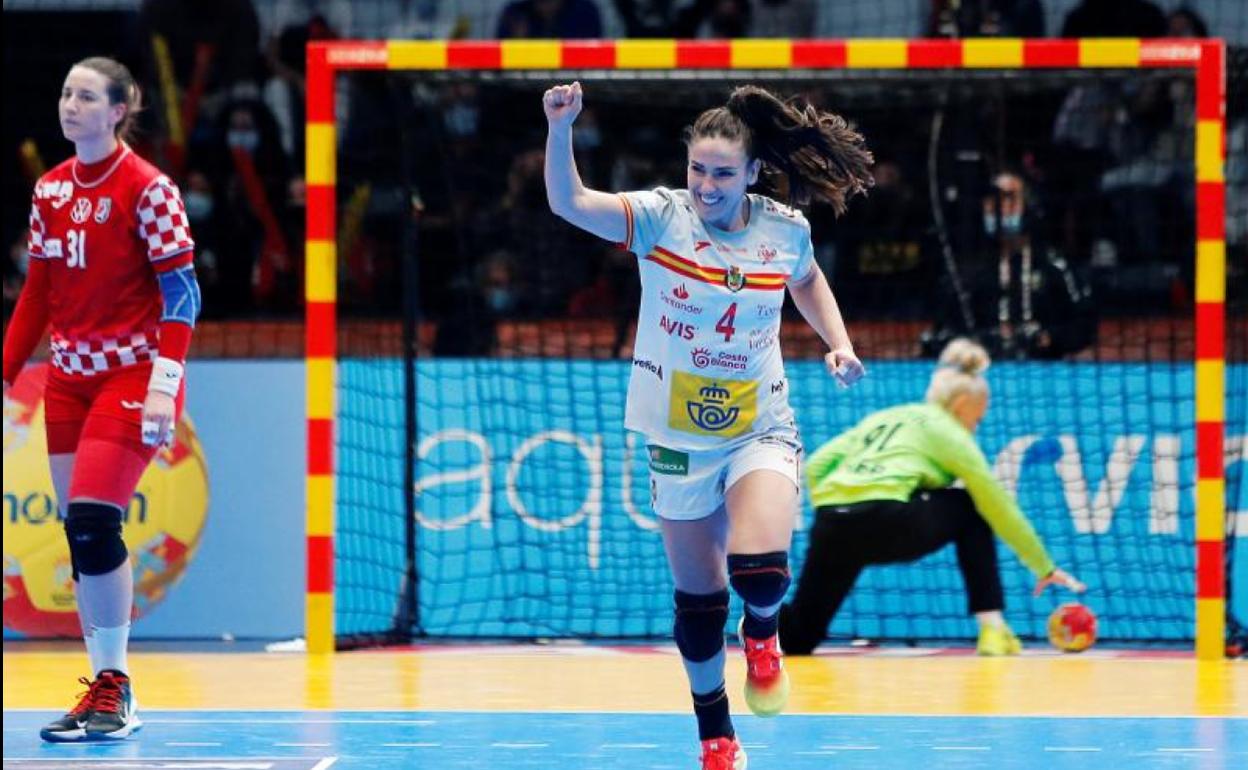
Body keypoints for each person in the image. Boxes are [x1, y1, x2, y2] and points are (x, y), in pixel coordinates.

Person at [543, 81, 873, 769]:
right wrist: (560, 127)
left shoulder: (784, 229)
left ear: (752, 171)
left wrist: (837, 342)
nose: (707, 185)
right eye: (698, 169)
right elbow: (568, 202)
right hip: (676, 438)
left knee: (760, 575)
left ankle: (762, 633)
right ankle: (716, 735)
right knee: (698, 606)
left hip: (759, 425)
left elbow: (806, 279)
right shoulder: (661, 219)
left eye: (723, 172)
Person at [2, 57, 202, 742]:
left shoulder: (148, 189)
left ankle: (116, 689)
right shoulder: (52, 191)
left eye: (86, 96)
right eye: (64, 93)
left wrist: (163, 385)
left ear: (120, 109)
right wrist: (5, 371)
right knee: (78, 533)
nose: (70, 105)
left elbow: (183, 294)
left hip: (132, 376)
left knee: (91, 518)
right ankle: (104, 687)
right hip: (67, 382)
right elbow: (37, 294)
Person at [778, 338, 1085, 656]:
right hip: (889, 522)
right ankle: (992, 629)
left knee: (799, 639)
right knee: (971, 507)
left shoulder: (887, 417)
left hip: (832, 523)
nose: (975, 427)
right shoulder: (950, 432)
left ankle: (760, 614)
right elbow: (997, 503)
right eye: (977, 419)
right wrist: (1044, 567)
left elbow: (816, 466)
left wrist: (839, 507)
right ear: (962, 404)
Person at [925, 168, 1095, 360]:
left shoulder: (1055, 267)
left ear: (1030, 206)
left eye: (1008, 198)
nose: (997, 208)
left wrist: (1046, 338)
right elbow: (945, 331)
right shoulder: (967, 272)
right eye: (991, 200)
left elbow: (1084, 327)